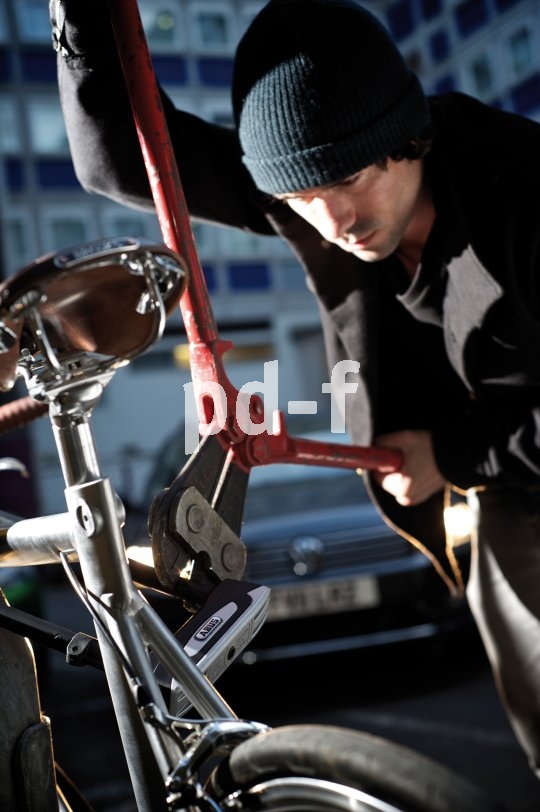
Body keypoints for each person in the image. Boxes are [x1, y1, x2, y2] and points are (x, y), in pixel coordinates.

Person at [50, 0, 540, 778]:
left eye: (347, 179)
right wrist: (81, 21)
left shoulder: (521, 194)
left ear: (404, 139)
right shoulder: (314, 192)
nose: (333, 217)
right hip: (496, 482)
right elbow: (120, 153)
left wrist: (454, 452)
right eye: (301, 195)